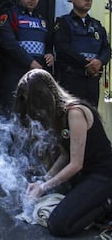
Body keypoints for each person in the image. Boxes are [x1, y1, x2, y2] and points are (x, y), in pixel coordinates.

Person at [14, 69, 112, 237]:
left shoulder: (75, 112)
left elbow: (76, 164)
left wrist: (44, 187)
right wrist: (43, 181)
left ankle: (106, 205)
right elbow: (66, 155)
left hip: (103, 174)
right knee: (56, 209)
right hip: (85, 176)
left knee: (58, 225)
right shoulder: (58, 116)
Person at [0, 0, 54, 110]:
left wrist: (49, 54)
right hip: (15, 74)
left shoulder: (42, 20)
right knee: (13, 114)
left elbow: (48, 43)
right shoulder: (10, 15)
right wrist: (29, 62)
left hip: (38, 75)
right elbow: (9, 44)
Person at [53, 0, 111, 108]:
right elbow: (62, 48)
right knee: (71, 117)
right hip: (72, 79)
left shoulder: (97, 25)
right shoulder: (63, 23)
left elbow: (106, 49)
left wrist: (100, 62)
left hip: (92, 80)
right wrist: (86, 64)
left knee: (92, 119)